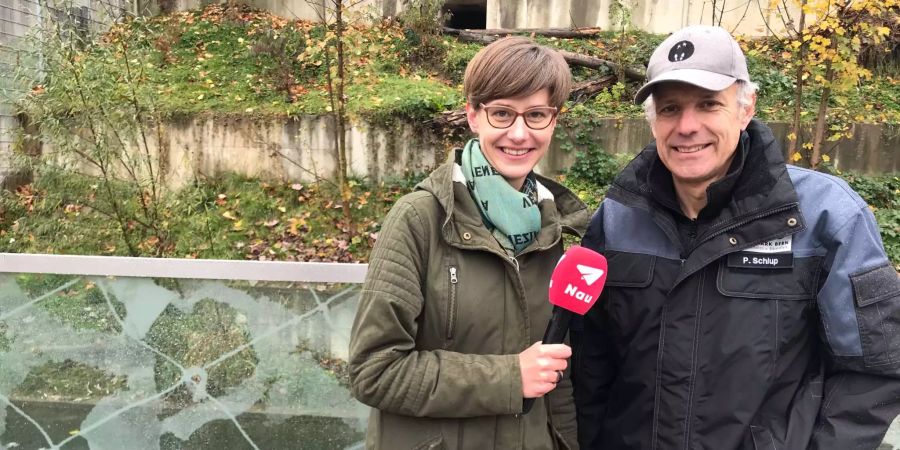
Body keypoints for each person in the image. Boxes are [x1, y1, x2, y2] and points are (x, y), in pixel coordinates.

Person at [571, 25, 900, 449]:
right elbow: (591, 367)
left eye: (709, 104)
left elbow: (873, 371)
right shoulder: (617, 218)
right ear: (653, 121)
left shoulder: (827, 217)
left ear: (746, 109)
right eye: (670, 109)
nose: (687, 126)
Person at [349, 36, 589, 450]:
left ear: (554, 121)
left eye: (536, 115)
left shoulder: (556, 230)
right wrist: (511, 378)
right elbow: (374, 370)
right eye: (501, 113)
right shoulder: (419, 220)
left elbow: (555, 375)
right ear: (473, 115)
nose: (519, 133)